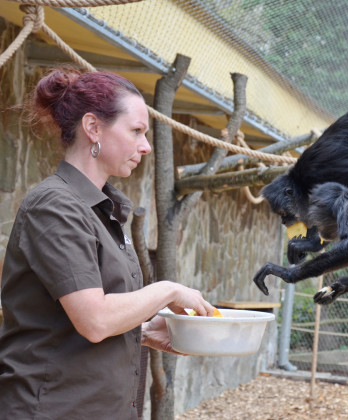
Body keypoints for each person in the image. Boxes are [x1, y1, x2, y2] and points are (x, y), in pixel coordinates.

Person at [0, 68, 215, 419]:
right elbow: (94, 319)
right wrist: (168, 290)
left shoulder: (102, 210)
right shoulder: (55, 205)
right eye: (136, 131)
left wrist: (142, 331)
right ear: (93, 128)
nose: (145, 146)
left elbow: (70, 323)